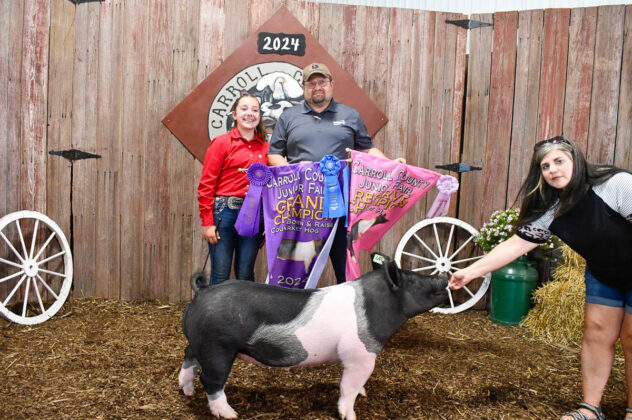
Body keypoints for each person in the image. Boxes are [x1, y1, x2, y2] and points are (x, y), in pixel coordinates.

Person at [449, 136, 632, 420]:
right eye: (545, 166)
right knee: (596, 333)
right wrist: (471, 271)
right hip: (604, 272)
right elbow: (516, 245)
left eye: (559, 161)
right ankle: (590, 409)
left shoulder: (614, 184)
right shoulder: (551, 208)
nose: (552, 170)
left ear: (576, 159)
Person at [267, 62, 405, 284]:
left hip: (341, 203)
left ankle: (347, 304)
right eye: (311, 83)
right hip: (302, 205)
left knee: (344, 266)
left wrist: (391, 164)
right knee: (295, 268)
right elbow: (274, 155)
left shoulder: (350, 115)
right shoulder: (288, 116)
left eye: (322, 82)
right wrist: (296, 171)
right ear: (303, 87)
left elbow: (366, 149)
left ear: (331, 84)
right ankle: (291, 304)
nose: (317, 87)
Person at [197, 94, 269, 285]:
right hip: (225, 213)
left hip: (254, 215)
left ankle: (244, 307)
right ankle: (215, 307)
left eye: (255, 110)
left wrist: (268, 223)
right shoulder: (221, 143)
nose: (250, 113)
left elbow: (271, 189)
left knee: (246, 275)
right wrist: (207, 222)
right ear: (234, 114)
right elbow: (206, 183)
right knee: (220, 274)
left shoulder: (266, 149)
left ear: (259, 116)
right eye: (244, 109)